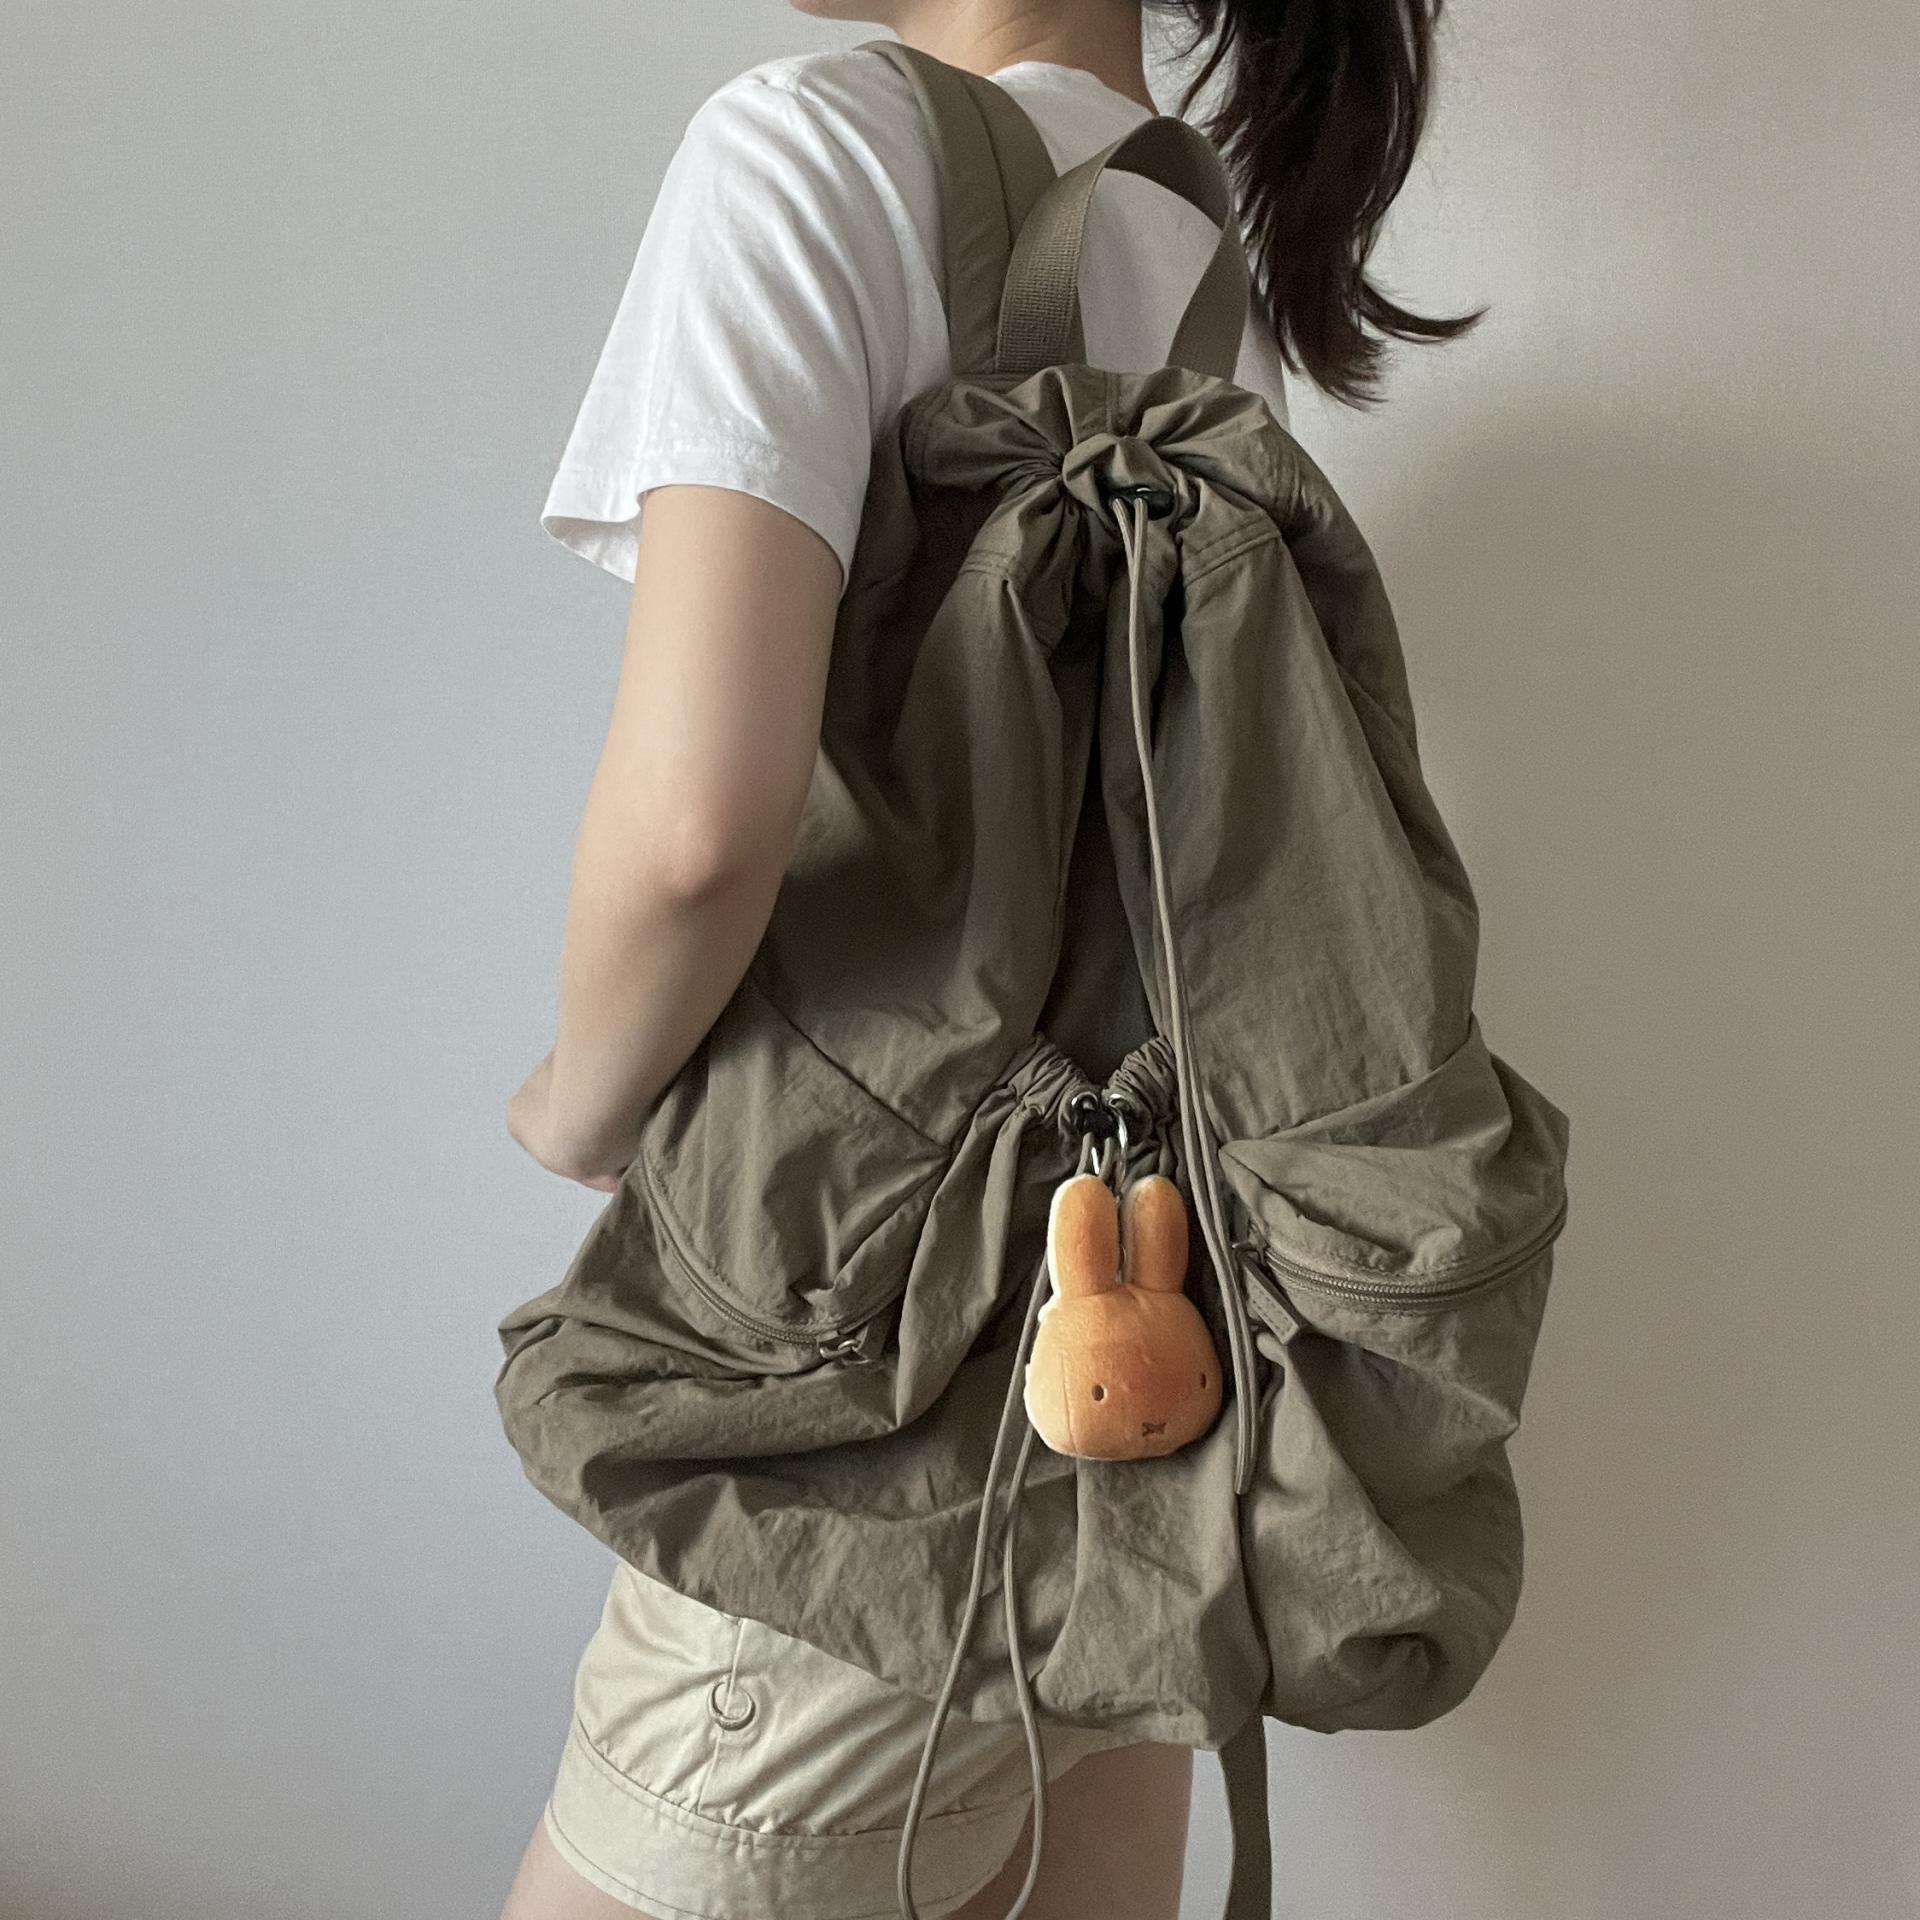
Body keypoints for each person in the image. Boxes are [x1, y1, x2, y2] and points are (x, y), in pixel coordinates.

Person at [499, 0, 1473, 1912]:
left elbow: (700, 829)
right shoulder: (1193, 254)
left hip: (867, 1404)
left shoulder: (807, 146)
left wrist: (577, 1101)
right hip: (1163, 1402)